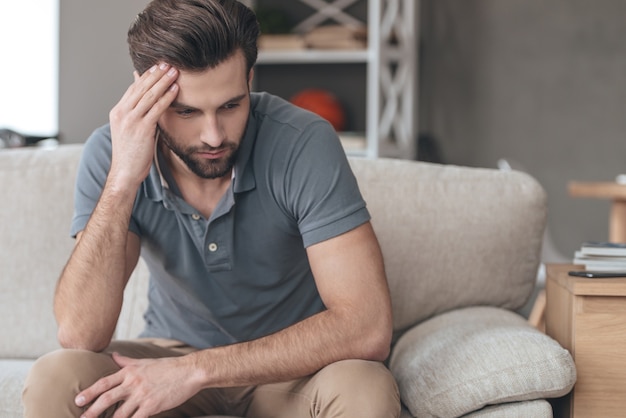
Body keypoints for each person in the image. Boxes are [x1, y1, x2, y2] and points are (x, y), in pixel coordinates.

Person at [22, 0, 400, 417]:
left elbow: (367, 326)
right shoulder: (111, 154)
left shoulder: (303, 142)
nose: (213, 135)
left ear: (249, 79)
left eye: (230, 105)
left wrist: (196, 370)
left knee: (365, 387)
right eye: (186, 111)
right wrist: (123, 180)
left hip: (290, 369)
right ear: (144, 92)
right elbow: (79, 331)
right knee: (57, 377)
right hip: (169, 352)